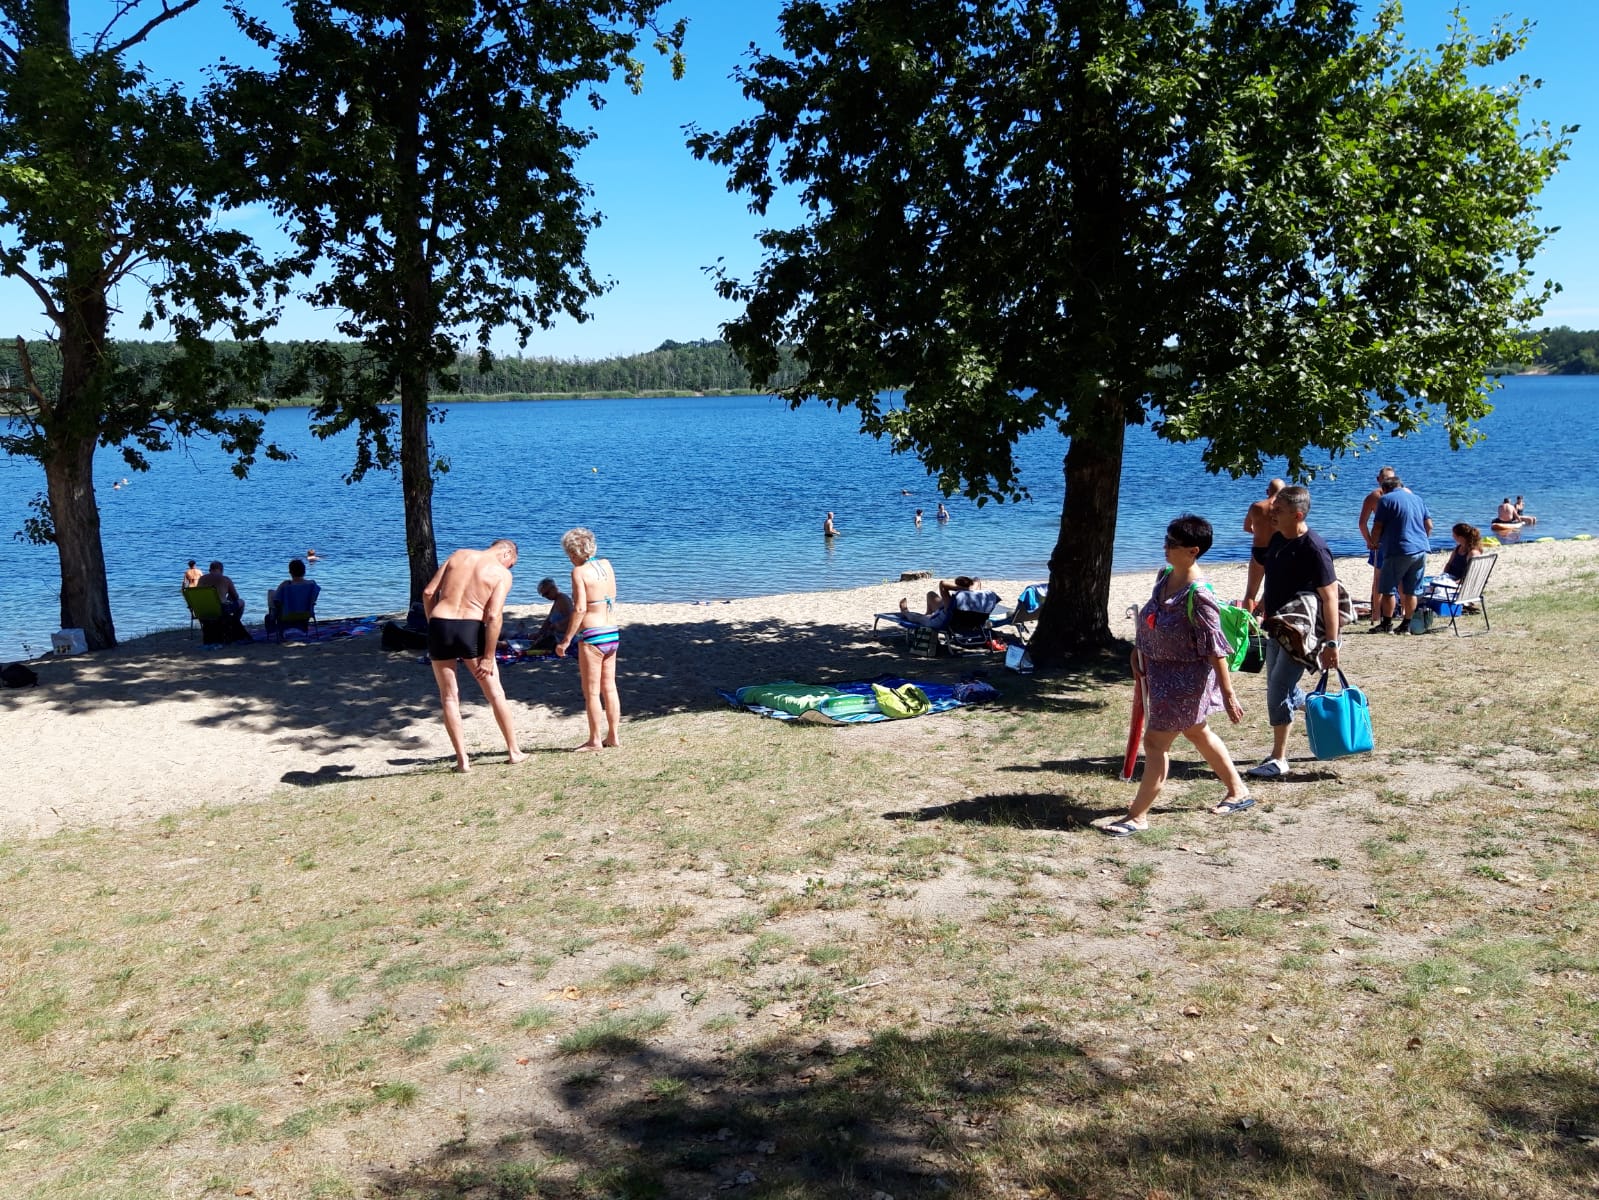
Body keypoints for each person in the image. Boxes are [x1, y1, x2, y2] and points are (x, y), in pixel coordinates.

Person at [1104, 514, 1250, 837]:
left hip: (1186, 682)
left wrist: (1228, 693)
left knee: (1155, 742)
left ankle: (1137, 815)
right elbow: (1150, 616)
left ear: (1193, 551)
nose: (1165, 547)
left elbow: (1215, 648)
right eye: (1166, 540)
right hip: (1159, 674)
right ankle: (1238, 791)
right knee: (1197, 731)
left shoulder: (1200, 595)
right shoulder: (1164, 574)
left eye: (1172, 544)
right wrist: (1138, 649)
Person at [1240, 485, 1341, 780]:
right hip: (1276, 626)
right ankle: (1316, 709)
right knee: (1277, 684)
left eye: (1278, 511)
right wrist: (1257, 605)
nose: (1271, 515)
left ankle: (1279, 759)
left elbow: (1330, 597)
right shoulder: (1278, 540)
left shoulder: (1314, 548)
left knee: (1278, 690)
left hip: (1302, 631)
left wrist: (1332, 643)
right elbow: (1275, 577)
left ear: (1297, 514)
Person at [421, 539, 525, 772]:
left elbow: (428, 592)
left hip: (440, 623)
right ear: (507, 552)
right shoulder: (501, 573)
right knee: (495, 692)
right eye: (512, 563)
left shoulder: (459, 554)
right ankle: (514, 751)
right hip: (470, 626)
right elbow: (493, 615)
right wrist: (488, 655)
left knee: (448, 696)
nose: (510, 568)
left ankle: (462, 761)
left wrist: (432, 624)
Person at [555, 527, 621, 752]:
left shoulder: (579, 572)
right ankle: (613, 735)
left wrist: (566, 639)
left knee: (592, 692)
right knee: (609, 687)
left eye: (569, 555)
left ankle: (595, 740)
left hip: (593, 635)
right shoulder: (607, 565)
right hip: (612, 630)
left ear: (574, 553)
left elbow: (581, 608)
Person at [1370, 472, 1433, 635]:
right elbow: (1429, 525)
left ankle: (1387, 624)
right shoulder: (1417, 499)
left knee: (1388, 588)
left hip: (1399, 549)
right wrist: (1421, 539)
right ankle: (1406, 625)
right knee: (1411, 589)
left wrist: (1374, 542)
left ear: (1384, 489)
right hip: (1420, 549)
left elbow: (1377, 526)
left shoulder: (1385, 500)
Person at [1358, 466, 1400, 631]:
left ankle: (1384, 613)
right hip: (1383, 542)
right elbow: (1362, 523)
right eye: (1385, 479)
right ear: (1379, 480)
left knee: (1383, 579)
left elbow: (1362, 523)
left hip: (1388, 542)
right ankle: (1376, 614)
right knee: (1379, 579)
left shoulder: (1379, 497)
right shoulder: (1374, 497)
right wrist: (1369, 541)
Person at [898, 575, 982, 627]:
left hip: (944, 621)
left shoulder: (953, 601)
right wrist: (970, 589)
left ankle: (905, 611)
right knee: (931, 594)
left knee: (918, 618)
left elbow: (942, 583)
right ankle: (928, 613)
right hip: (967, 620)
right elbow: (977, 580)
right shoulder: (976, 597)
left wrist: (961, 589)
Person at [266, 558, 321, 632]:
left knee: (272, 595)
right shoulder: (312, 584)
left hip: (286, 615)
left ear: (290, 572)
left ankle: (276, 630)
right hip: (305, 615)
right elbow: (314, 599)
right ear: (304, 571)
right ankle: (302, 628)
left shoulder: (285, 585)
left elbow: (276, 601)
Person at [529, 577, 575, 649]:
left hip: (563, 637)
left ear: (554, 588)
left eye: (547, 593)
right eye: (543, 595)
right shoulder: (557, 600)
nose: (546, 597)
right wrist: (539, 633)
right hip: (556, 635)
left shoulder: (563, 599)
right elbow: (548, 620)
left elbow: (573, 617)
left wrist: (558, 624)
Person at [1243, 478, 1285, 553]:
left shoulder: (1255, 506)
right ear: (1284, 492)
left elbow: (1246, 528)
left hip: (1258, 550)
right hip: (1278, 550)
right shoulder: (1286, 508)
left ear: (1267, 492)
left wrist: (1259, 531)